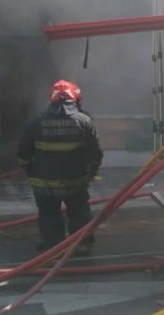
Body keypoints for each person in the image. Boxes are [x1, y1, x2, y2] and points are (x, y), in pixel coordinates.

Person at [17, 80, 103, 254]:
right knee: (79, 212)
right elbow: (95, 151)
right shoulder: (84, 121)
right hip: (75, 181)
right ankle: (82, 245)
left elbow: (23, 151)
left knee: (49, 215)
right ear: (76, 99)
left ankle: (53, 248)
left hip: (43, 182)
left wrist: (26, 168)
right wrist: (93, 171)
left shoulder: (36, 122)